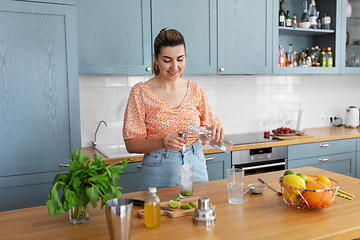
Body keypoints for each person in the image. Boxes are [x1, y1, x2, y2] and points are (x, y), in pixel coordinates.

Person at [122, 28, 225, 191]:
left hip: (195, 164)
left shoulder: (194, 89)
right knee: (158, 215)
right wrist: (162, 142)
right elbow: (131, 144)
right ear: (156, 59)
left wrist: (213, 133)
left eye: (180, 59)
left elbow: (209, 137)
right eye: (167, 60)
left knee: (199, 213)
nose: (174, 67)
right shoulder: (140, 92)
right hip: (158, 168)